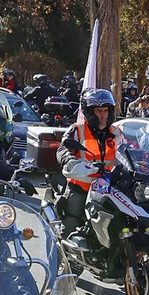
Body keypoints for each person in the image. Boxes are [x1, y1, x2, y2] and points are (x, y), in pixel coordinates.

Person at [54, 88, 118, 236]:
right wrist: (69, 160)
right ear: (89, 112)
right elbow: (63, 148)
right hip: (82, 187)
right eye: (99, 111)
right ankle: (62, 251)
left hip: (110, 188)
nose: (103, 116)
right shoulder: (78, 129)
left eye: (106, 111)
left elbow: (130, 149)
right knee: (71, 223)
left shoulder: (116, 132)